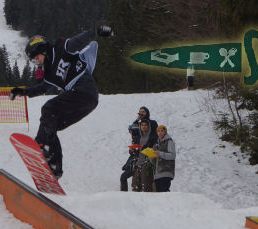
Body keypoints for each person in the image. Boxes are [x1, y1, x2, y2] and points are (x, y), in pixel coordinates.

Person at [9, 25, 113, 179]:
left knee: (48, 108)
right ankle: (55, 167)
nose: (37, 62)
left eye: (37, 58)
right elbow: (43, 87)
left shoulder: (60, 48)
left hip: (84, 89)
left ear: (42, 50)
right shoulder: (49, 73)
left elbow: (79, 40)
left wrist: (96, 31)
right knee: (52, 125)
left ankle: (40, 145)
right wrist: (23, 92)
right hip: (87, 103)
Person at [131, 119, 158, 192]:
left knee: (146, 184)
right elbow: (133, 151)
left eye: (145, 125)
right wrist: (132, 150)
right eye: (142, 125)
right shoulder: (137, 138)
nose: (143, 127)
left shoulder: (153, 138)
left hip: (148, 163)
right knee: (135, 185)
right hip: (137, 162)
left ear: (148, 127)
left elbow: (154, 151)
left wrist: (144, 148)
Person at [152, 125, 176, 192]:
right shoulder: (157, 143)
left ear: (165, 132)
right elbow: (154, 159)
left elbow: (172, 155)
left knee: (164, 193)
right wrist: (150, 155)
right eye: (158, 131)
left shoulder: (169, 141)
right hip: (157, 173)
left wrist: (160, 153)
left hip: (166, 171)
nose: (160, 133)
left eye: (162, 131)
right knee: (159, 195)